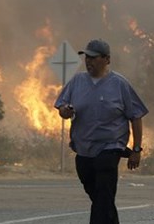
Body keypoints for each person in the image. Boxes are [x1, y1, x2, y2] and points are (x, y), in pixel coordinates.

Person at [54, 38, 148, 224]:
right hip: (84, 149)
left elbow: (136, 116)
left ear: (107, 59)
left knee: (103, 192)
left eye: (94, 57)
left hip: (110, 147)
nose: (88, 61)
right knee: (99, 197)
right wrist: (65, 111)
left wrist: (136, 149)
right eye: (86, 57)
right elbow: (62, 108)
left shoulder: (120, 84)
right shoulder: (77, 81)